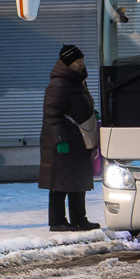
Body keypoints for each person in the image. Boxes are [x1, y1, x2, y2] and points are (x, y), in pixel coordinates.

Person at [41, 43, 98, 232]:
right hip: (63, 140)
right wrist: (60, 139)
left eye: (82, 60)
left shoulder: (77, 81)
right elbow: (51, 114)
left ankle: (79, 219)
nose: (81, 64)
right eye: (77, 61)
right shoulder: (58, 84)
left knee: (78, 179)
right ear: (67, 64)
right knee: (60, 182)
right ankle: (57, 221)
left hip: (78, 139)